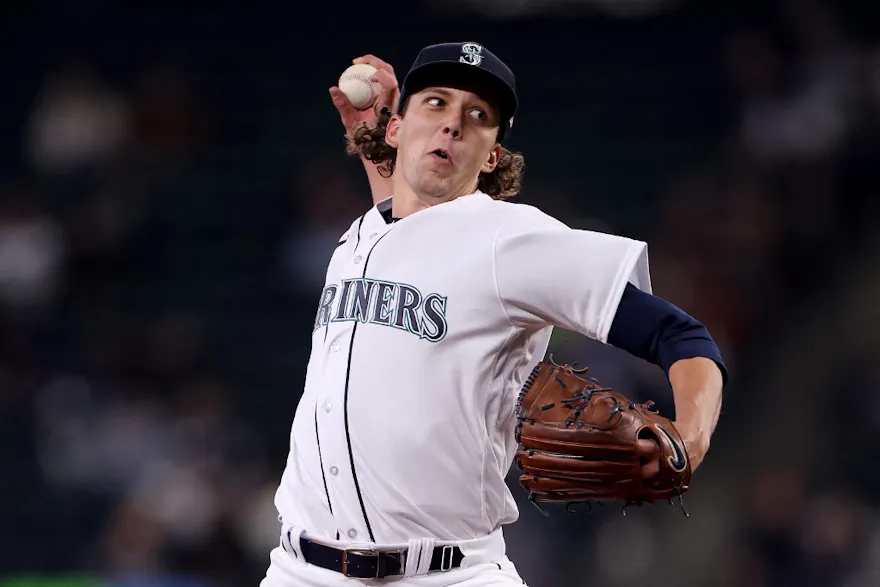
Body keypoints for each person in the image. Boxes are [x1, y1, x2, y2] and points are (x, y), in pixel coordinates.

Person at [260, 41, 727, 587]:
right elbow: (407, 230)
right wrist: (375, 146)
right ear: (394, 129)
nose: (453, 124)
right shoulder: (361, 236)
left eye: (477, 116)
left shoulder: (510, 241)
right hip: (300, 569)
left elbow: (682, 335)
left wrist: (692, 437)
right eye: (435, 103)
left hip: (448, 574)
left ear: (491, 158)